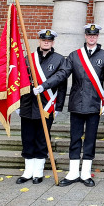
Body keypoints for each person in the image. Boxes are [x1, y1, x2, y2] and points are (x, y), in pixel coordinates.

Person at [34, 24, 104, 187]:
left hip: (94, 104)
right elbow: (62, 74)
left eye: (94, 35)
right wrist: (45, 85)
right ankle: (73, 172)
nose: (92, 37)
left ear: (97, 37)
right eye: (89, 35)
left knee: (90, 139)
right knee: (75, 138)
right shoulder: (74, 56)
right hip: (77, 103)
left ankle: (85, 173)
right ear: (85, 36)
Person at [16, 29, 67, 185]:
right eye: (44, 40)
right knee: (27, 138)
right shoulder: (28, 59)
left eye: (49, 40)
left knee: (42, 138)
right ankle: (27, 171)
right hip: (27, 104)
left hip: (46, 105)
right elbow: (20, 81)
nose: (46, 42)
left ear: (52, 42)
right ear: (39, 41)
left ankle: (38, 171)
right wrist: (17, 103)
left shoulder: (59, 60)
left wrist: (58, 107)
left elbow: (62, 84)